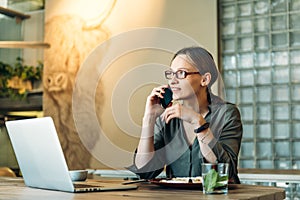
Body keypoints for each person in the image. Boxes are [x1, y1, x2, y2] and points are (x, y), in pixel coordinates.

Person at [128, 46, 243, 183]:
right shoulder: (167, 118)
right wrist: (149, 119)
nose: (173, 81)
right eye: (171, 74)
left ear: (204, 79)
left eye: (181, 73)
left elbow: (225, 172)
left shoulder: (227, 114)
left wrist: (198, 122)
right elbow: (145, 171)